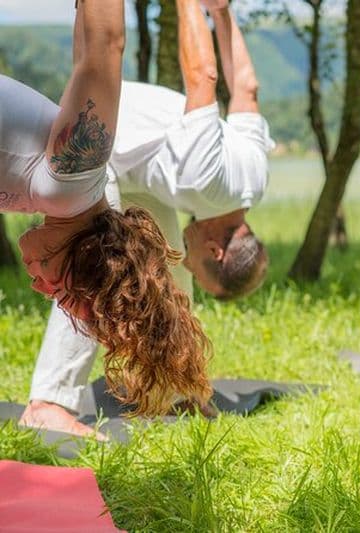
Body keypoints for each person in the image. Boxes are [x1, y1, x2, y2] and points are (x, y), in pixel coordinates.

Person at [19, 0, 274, 437]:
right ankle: (49, 401)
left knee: (167, 276)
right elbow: (203, 76)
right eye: (202, 266)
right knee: (93, 272)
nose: (193, 261)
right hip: (99, 149)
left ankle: (177, 389)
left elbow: (246, 87)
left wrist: (224, 14)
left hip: (142, 165)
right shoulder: (205, 179)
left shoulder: (254, 177)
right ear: (216, 249)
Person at [3, 1, 211, 422]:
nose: (42, 289)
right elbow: (102, 47)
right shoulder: (72, 178)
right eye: (61, 289)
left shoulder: (58, 192)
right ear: (85, 256)